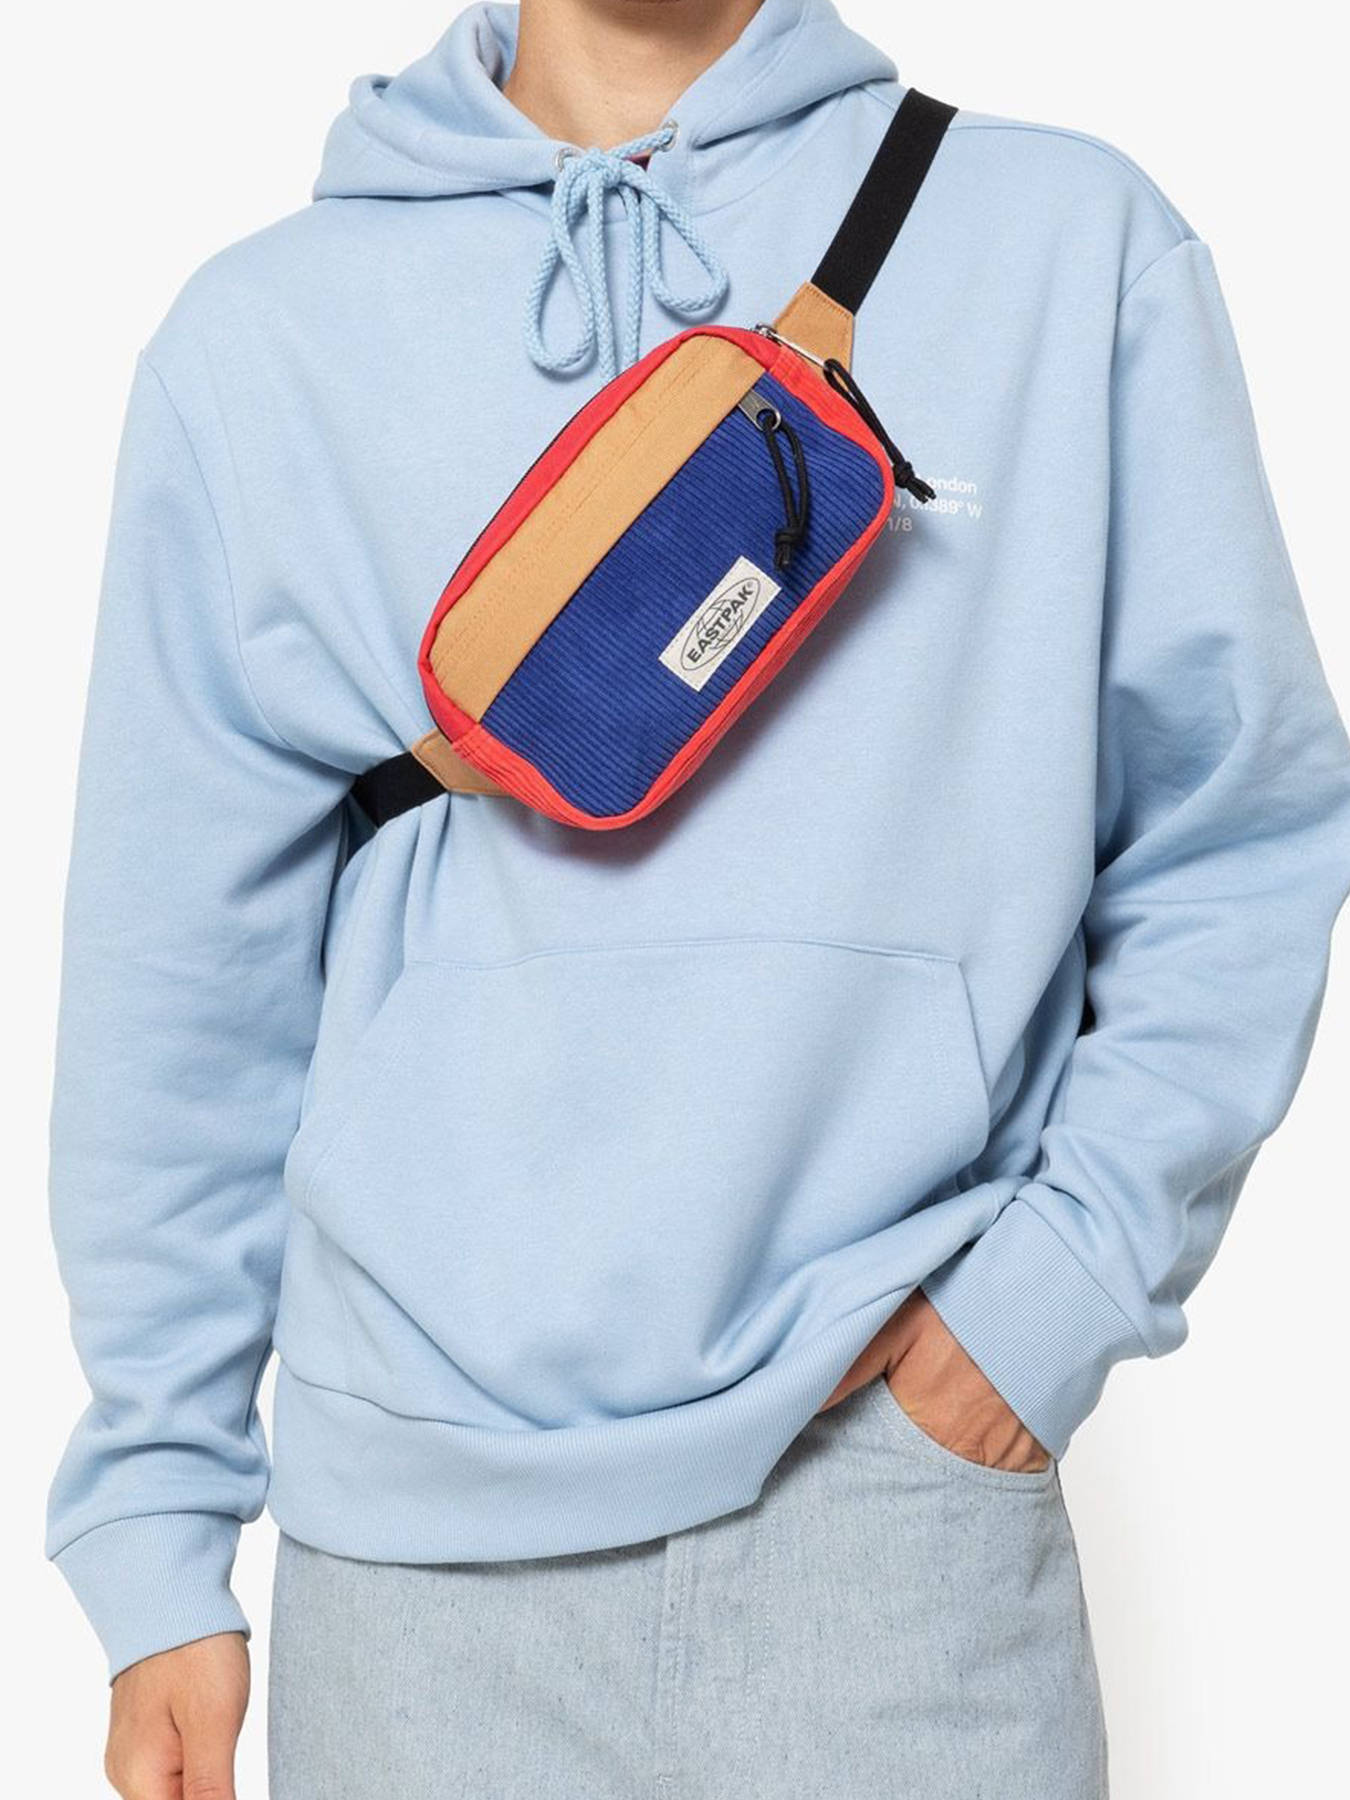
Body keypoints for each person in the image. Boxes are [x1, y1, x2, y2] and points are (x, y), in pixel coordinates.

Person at [47, 1, 1350, 1796]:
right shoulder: (258, 338)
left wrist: (1046, 1303)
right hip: (410, 1570)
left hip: (893, 1514)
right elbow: (177, 983)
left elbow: (1237, 828)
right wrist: (158, 1529)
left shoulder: (1061, 242)